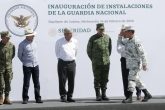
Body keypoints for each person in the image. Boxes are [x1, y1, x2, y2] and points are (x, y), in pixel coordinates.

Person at [120, 25, 152, 103]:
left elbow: (143, 53)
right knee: (137, 80)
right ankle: (147, 93)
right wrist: (120, 35)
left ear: (130, 32)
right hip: (130, 64)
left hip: (136, 64)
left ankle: (129, 97)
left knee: (131, 79)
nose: (125, 33)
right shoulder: (128, 40)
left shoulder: (136, 41)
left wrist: (144, 64)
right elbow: (121, 42)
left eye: (126, 32)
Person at [87, 23, 112, 101]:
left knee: (105, 78)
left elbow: (109, 50)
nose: (102, 31)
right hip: (96, 63)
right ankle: (98, 95)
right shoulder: (92, 38)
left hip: (106, 62)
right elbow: (88, 51)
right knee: (97, 78)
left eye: (103, 29)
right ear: (97, 29)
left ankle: (104, 95)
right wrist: (94, 59)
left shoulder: (108, 38)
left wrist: (106, 57)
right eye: (100, 29)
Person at [18, 28, 43, 104]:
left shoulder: (35, 42)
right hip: (27, 66)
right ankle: (25, 98)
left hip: (35, 65)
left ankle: (38, 98)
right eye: (32, 35)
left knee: (37, 83)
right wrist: (25, 62)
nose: (33, 36)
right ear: (27, 36)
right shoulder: (22, 44)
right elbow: (19, 55)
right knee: (26, 83)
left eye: (33, 35)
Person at [117, 25, 142, 101]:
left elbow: (139, 51)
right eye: (122, 30)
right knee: (125, 78)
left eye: (125, 30)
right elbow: (119, 49)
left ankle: (139, 93)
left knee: (135, 77)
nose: (124, 32)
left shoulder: (133, 38)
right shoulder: (120, 39)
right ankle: (128, 96)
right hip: (124, 60)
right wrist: (119, 38)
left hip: (133, 60)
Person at [55, 28, 78, 102]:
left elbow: (76, 51)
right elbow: (57, 52)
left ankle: (70, 96)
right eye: (68, 34)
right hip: (62, 63)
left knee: (71, 80)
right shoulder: (59, 41)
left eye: (71, 33)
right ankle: (63, 95)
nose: (70, 35)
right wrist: (61, 59)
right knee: (62, 80)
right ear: (65, 34)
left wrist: (72, 58)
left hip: (72, 63)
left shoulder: (75, 41)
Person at [0, 31, 15, 105]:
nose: (9, 38)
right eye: (7, 37)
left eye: (9, 37)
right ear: (2, 37)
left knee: (8, 83)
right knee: (1, 83)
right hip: (0, 68)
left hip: (9, 68)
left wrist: (8, 64)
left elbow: (12, 56)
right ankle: (0, 98)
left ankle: (7, 98)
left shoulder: (12, 45)